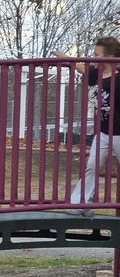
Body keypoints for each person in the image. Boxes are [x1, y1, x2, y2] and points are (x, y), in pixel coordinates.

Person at [52, 36, 120, 216]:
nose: (94, 58)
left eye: (98, 55)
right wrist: (64, 57)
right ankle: (79, 203)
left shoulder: (119, 78)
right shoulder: (96, 74)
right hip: (104, 132)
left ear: (110, 57)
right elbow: (81, 68)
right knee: (92, 165)